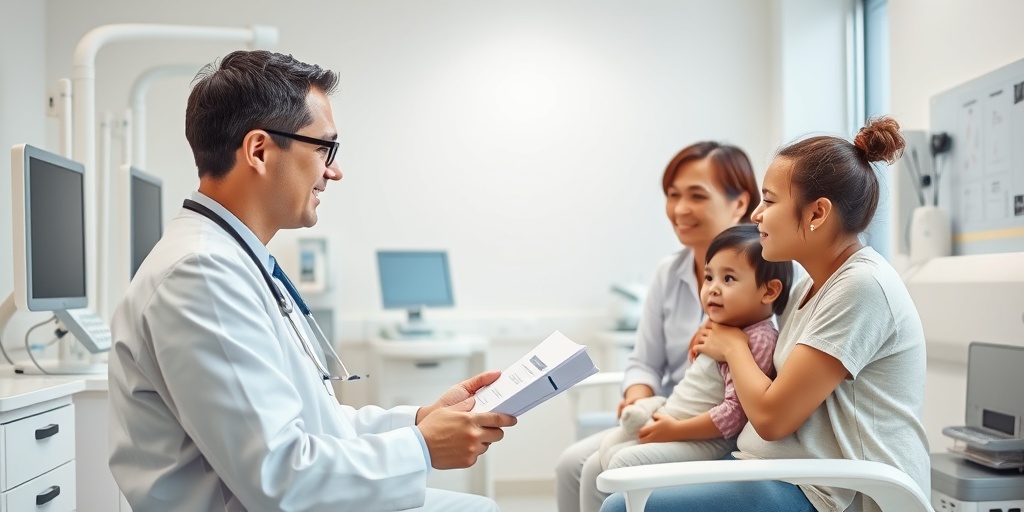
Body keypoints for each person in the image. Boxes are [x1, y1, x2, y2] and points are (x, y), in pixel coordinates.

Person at [106, 50, 517, 512]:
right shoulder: (201, 274)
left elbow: (315, 427)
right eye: (324, 148)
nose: (333, 171)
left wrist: (422, 420)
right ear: (259, 151)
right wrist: (422, 447)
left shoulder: (232, 262)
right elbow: (279, 477)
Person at [600, 116, 930, 512]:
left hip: (831, 492)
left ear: (817, 214)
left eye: (769, 201)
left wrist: (732, 346)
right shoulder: (809, 287)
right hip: (774, 470)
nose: (756, 215)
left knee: (621, 506)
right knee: (618, 481)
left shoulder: (861, 287)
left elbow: (773, 418)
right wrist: (721, 336)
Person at [556, 142, 760, 512]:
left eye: (697, 195)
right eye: (673, 195)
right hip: (668, 410)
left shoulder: (770, 273)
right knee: (571, 464)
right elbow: (644, 362)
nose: (680, 209)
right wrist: (638, 398)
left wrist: (730, 343)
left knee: (601, 467)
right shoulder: (670, 272)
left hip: (720, 428)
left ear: (740, 203)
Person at [598, 224, 792, 474]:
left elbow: (735, 413)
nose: (713, 288)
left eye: (728, 279)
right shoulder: (719, 325)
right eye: (709, 277)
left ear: (769, 291)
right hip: (674, 416)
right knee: (608, 447)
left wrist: (676, 431)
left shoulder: (759, 340)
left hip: (708, 438)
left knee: (622, 463)